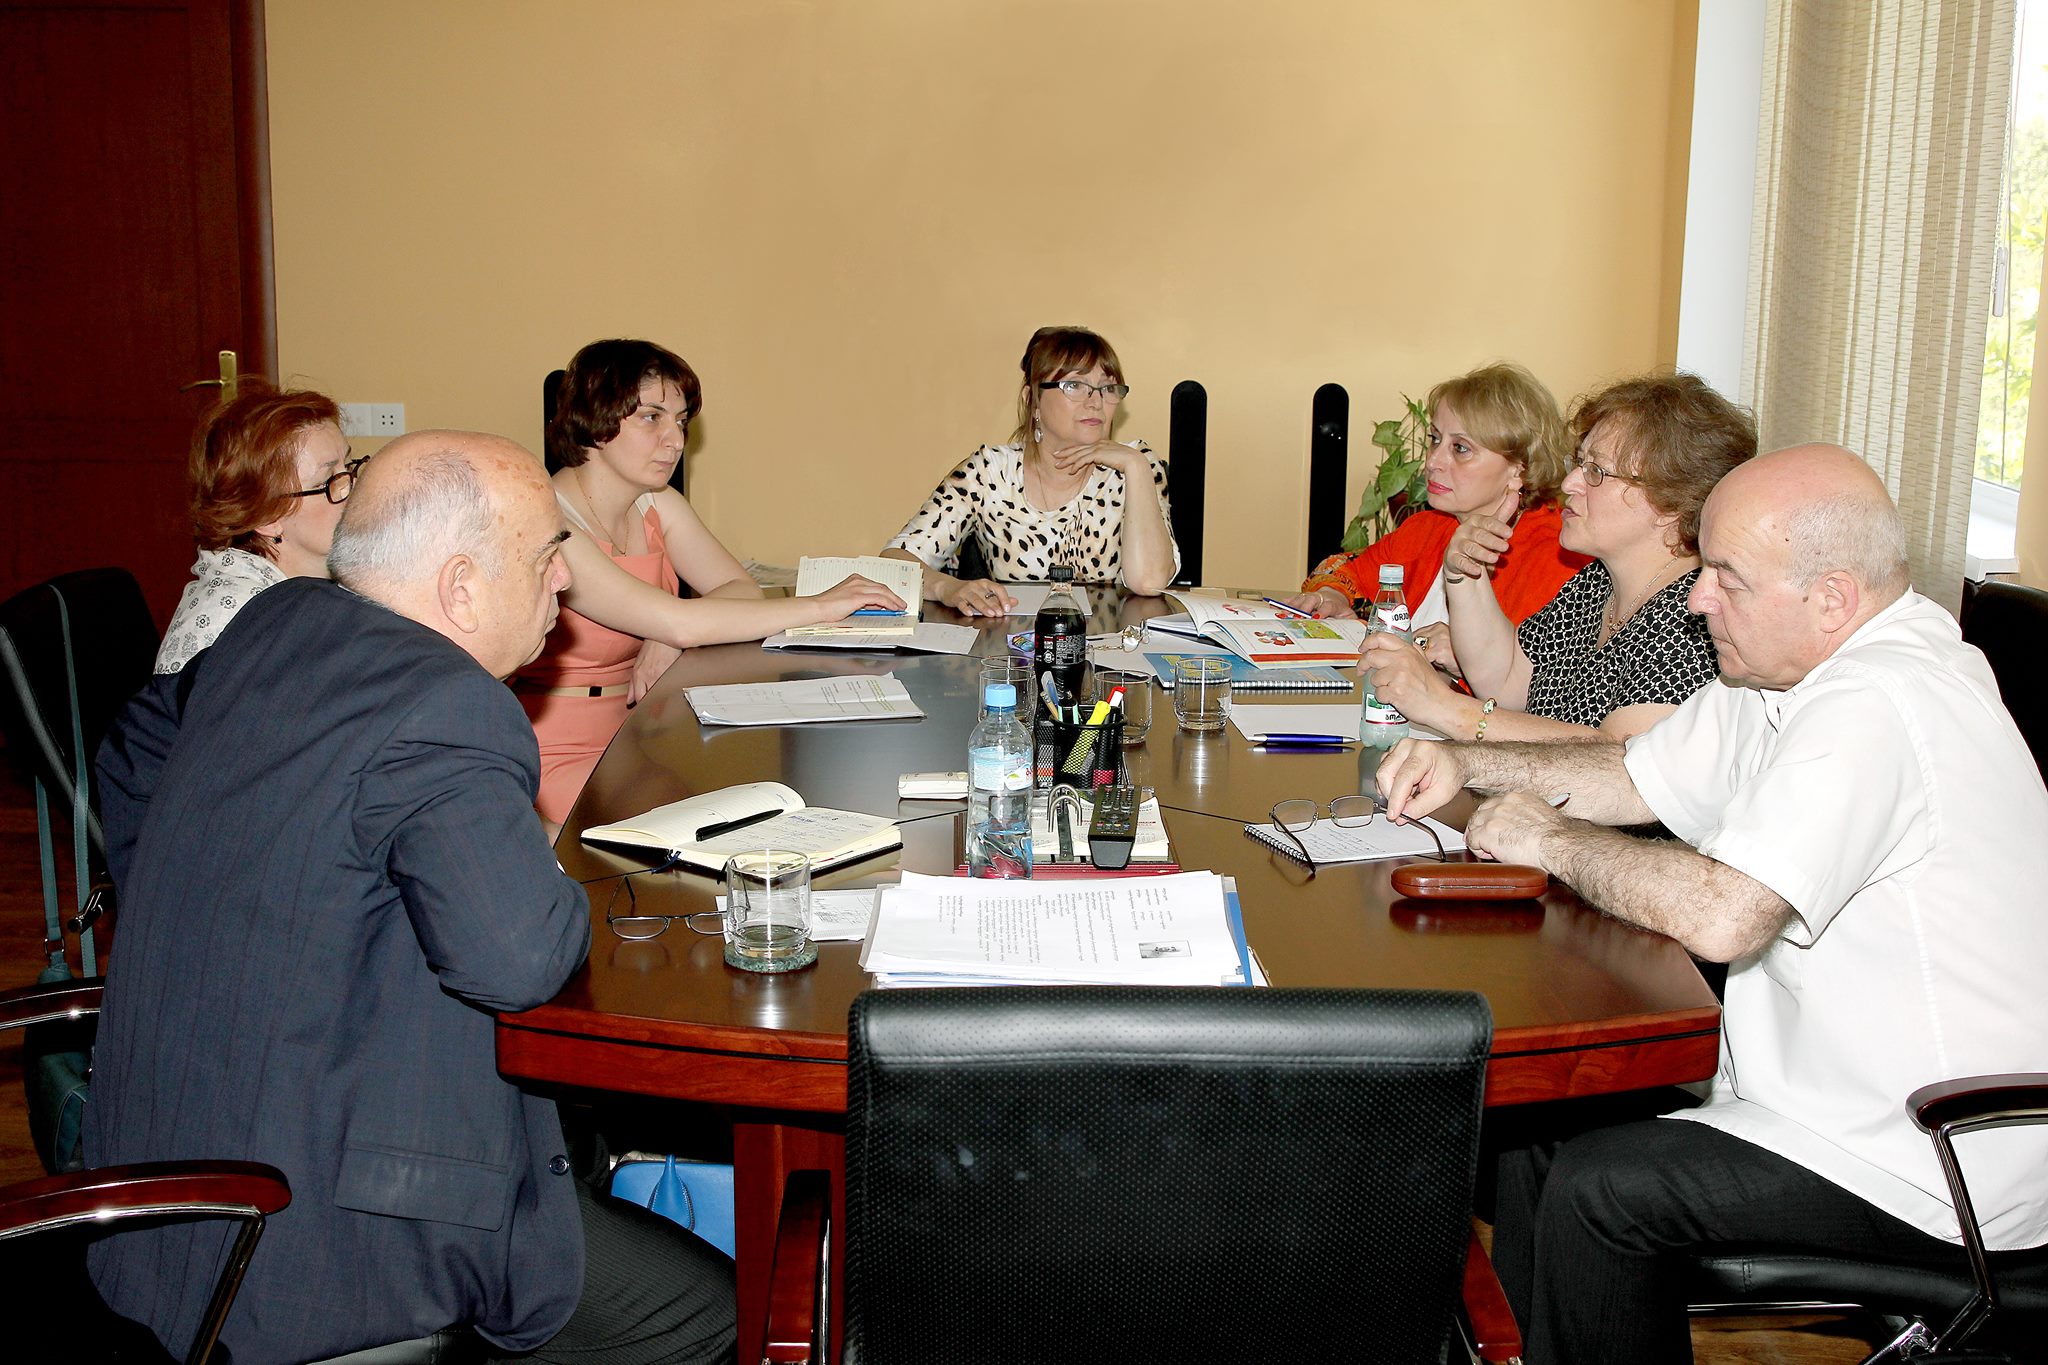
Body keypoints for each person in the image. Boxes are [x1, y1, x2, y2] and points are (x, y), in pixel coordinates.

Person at [1377, 444, 2048, 1365]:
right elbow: (1631, 773)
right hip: (1826, 1101)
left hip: (1934, 1159)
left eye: (1727, 577)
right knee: (1541, 1125)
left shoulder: (1881, 699)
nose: (1697, 600)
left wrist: (1552, 839)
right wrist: (1468, 761)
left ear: (1831, 598)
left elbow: (1724, 916)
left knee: (1606, 1191)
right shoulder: (1787, 670)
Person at [88, 431, 736, 1363]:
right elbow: (521, 961)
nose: (564, 581)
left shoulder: (278, 618)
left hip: (161, 1178)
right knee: (713, 1315)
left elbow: (132, 748)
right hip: (317, 1239)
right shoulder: (448, 703)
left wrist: (226, 908)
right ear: (461, 588)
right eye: (545, 556)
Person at [518, 338, 903, 825]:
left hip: (631, 734)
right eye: (652, 417)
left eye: (680, 422)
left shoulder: (657, 503)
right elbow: (681, 621)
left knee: (741, 817)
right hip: (552, 750)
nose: (676, 441)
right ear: (595, 418)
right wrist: (822, 606)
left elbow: (741, 590)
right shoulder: (552, 520)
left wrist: (667, 633)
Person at [1358, 372, 1754, 743]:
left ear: (1670, 502)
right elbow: (1508, 681)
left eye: (1596, 471)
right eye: (1579, 464)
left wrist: (1446, 708)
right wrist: (1465, 575)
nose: (1570, 483)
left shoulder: (1694, 618)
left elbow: (1620, 763)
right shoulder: (1596, 582)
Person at [883, 325, 1179, 614]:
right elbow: (894, 562)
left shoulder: (1136, 464)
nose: (1096, 401)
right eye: (1075, 385)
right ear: (1033, 400)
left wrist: (1136, 468)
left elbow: (1149, 582)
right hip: (1011, 643)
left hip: (1110, 644)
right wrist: (947, 587)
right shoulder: (990, 472)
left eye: (1108, 388)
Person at [1284, 362, 1586, 640]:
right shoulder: (1429, 528)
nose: (1433, 462)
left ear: (1519, 469)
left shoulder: (1559, 556)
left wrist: (1464, 660)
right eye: (1435, 439)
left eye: (1461, 448)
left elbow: (1546, 672)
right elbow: (1344, 568)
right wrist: (1332, 596)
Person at [155, 380, 359, 673]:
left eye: (349, 466)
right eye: (328, 482)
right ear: (267, 517)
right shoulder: (240, 626)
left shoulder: (313, 585)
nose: (353, 488)